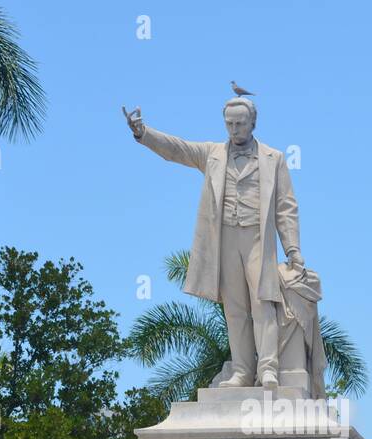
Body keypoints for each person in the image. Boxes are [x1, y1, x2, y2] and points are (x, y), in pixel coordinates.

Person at [126, 97, 303, 389]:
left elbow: (286, 207)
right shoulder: (213, 154)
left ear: (253, 123)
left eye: (240, 123)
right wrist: (143, 133)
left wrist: (293, 249)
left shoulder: (275, 158)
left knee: (263, 304)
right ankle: (243, 371)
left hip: (258, 239)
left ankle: (268, 368)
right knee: (234, 309)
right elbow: (177, 149)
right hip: (225, 238)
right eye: (230, 124)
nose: (234, 129)